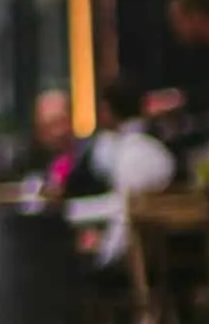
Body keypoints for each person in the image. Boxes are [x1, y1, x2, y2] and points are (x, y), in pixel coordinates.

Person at [63, 76, 177, 270]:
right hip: (163, 255)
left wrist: (104, 260)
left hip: (137, 262)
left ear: (107, 110)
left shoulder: (132, 154)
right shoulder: (159, 149)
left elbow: (125, 216)